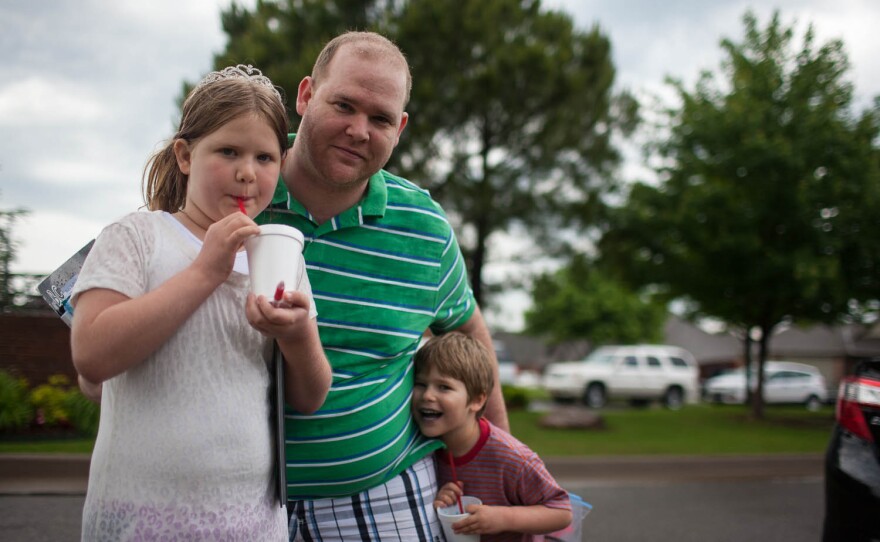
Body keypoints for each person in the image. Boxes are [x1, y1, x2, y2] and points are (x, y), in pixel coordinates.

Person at [255, 31, 510, 540]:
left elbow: (474, 344)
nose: (358, 130)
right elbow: (99, 297)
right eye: (343, 104)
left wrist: (500, 477)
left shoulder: (425, 226)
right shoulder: (233, 180)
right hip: (233, 499)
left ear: (401, 128)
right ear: (305, 95)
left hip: (380, 499)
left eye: (380, 119)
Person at [70, 65, 332, 541]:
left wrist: (295, 334)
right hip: (140, 520)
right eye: (228, 151)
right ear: (185, 155)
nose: (247, 172)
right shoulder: (138, 236)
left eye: (265, 157)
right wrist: (205, 272)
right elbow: (91, 352)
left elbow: (310, 395)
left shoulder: (276, 254)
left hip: (249, 524)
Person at [413, 333, 572, 541]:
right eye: (421, 384)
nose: (427, 395)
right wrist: (443, 500)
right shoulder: (423, 450)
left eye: (444, 387)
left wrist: (503, 517)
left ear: (477, 400)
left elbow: (561, 512)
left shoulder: (512, 458)